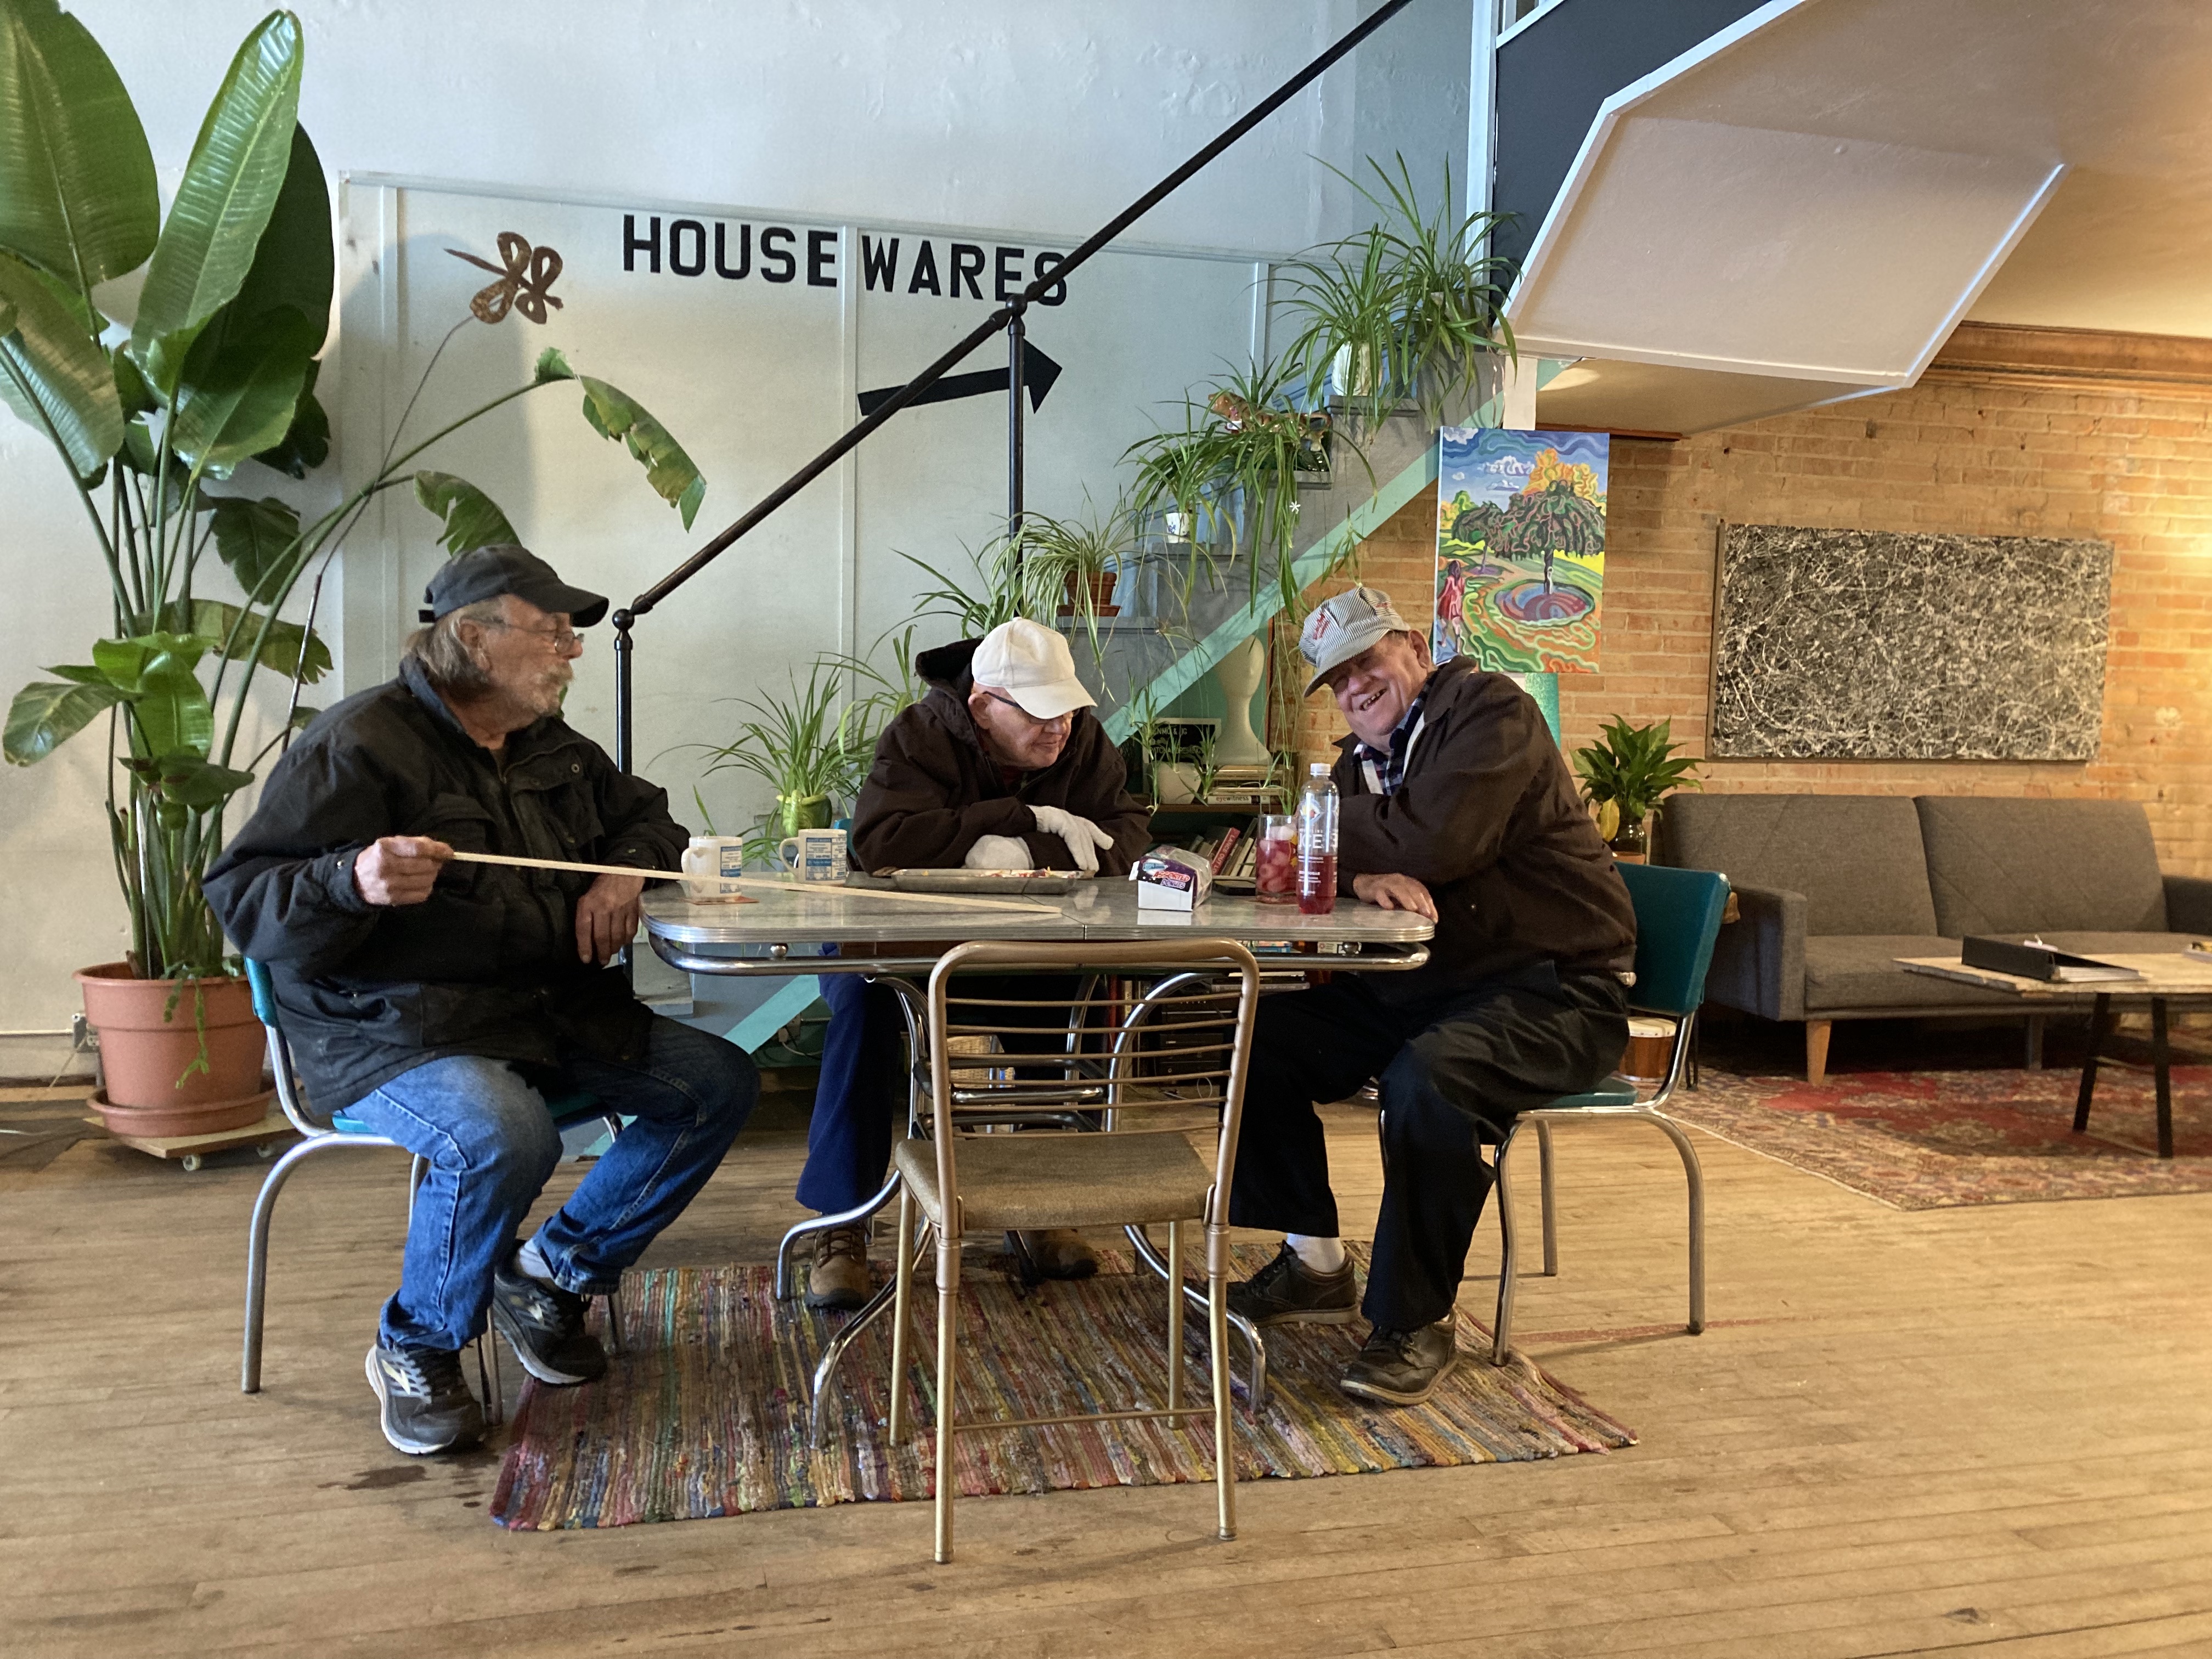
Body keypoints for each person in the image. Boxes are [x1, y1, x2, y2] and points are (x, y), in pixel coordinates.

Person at [205, 545, 757, 1457]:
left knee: (716, 1082)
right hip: (387, 1026)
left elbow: (653, 817)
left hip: (542, 1006)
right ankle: (415, 1342)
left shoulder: (553, 747)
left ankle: (551, 1275)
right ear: (472, 636)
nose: (570, 649)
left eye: (569, 633)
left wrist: (624, 869)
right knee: (502, 1131)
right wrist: (352, 877)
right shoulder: (358, 743)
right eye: (549, 630)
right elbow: (244, 902)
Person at [1224, 586, 1634, 1406]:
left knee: (1431, 1081)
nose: (1354, 689)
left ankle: (1418, 1320)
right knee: (1258, 1035)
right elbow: (1367, 851)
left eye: (1367, 662)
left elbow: (1440, 839)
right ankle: (1315, 1264)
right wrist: (1369, 865)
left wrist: (1350, 838)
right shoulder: (1357, 764)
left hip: (1558, 990)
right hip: (1429, 984)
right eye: (1337, 680)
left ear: (1415, 647)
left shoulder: (1492, 713)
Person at [797, 617, 1150, 1307]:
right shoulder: (919, 735)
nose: (1061, 729)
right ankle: (842, 1225)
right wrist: (1019, 819)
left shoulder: (1084, 744)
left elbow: (1127, 843)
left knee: (1063, 990)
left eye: (1070, 710)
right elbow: (883, 844)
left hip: (1019, 950)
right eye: (1042, 713)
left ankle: (1041, 1202)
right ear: (984, 707)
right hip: (895, 952)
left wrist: (1014, 854)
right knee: (864, 1008)